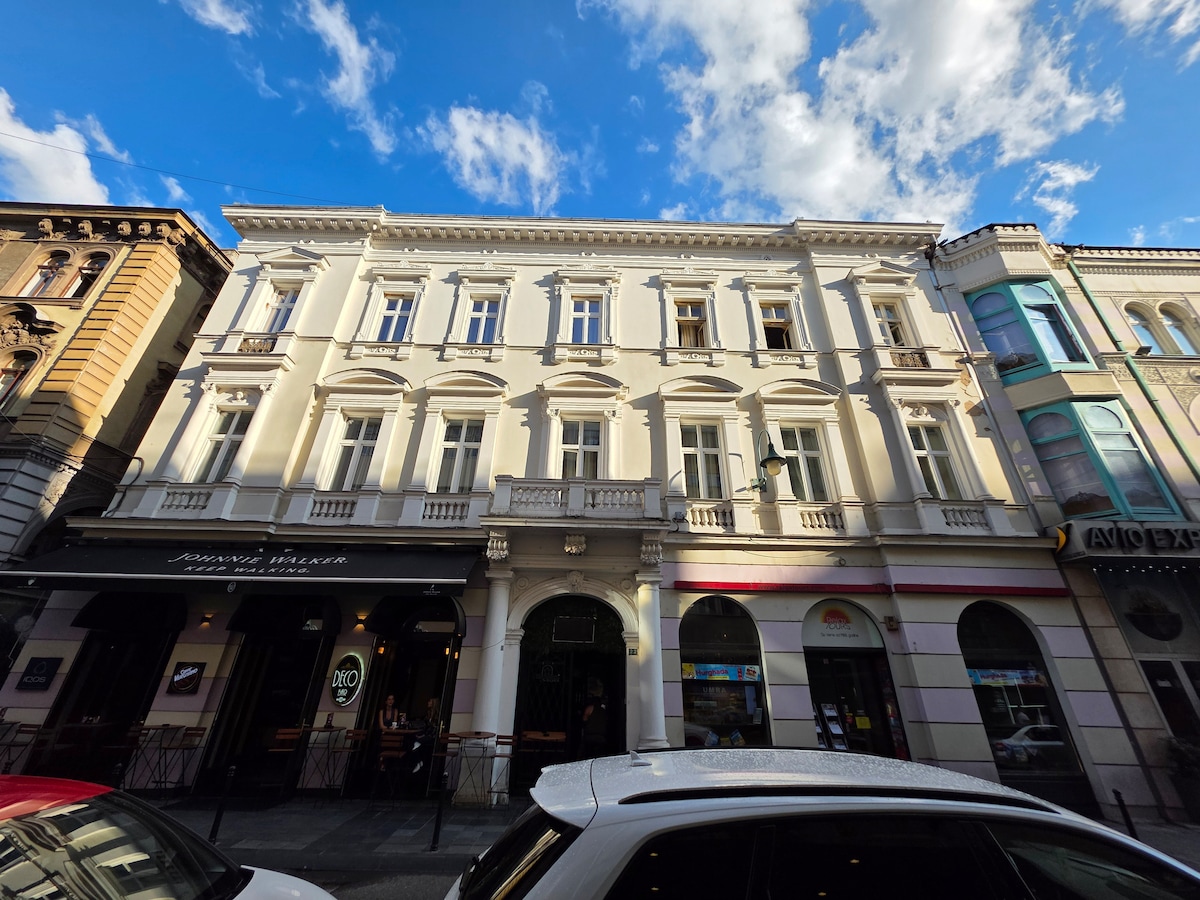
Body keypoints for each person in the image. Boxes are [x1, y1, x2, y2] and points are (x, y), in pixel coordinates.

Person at [580, 677, 608, 759]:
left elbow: (584, 720)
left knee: (588, 756)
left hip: (590, 737)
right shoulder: (604, 710)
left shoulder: (590, 708)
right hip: (601, 737)